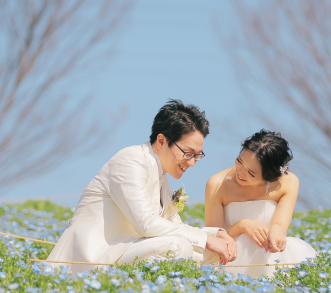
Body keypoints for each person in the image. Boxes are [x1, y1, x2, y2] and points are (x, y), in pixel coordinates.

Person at [46, 100, 237, 273]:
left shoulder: (163, 179)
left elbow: (175, 226)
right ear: (161, 141)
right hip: (95, 257)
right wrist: (206, 239)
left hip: (126, 252)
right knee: (179, 246)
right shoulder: (130, 160)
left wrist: (216, 234)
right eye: (188, 153)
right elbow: (147, 224)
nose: (193, 163)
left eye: (197, 155)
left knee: (210, 251)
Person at [204, 130, 317, 278]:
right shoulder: (217, 184)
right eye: (239, 161)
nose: (240, 172)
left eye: (251, 173)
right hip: (231, 256)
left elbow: (280, 226)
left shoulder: (288, 182)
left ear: (270, 177)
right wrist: (242, 226)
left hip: (270, 256)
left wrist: (277, 231)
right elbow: (213, 236)